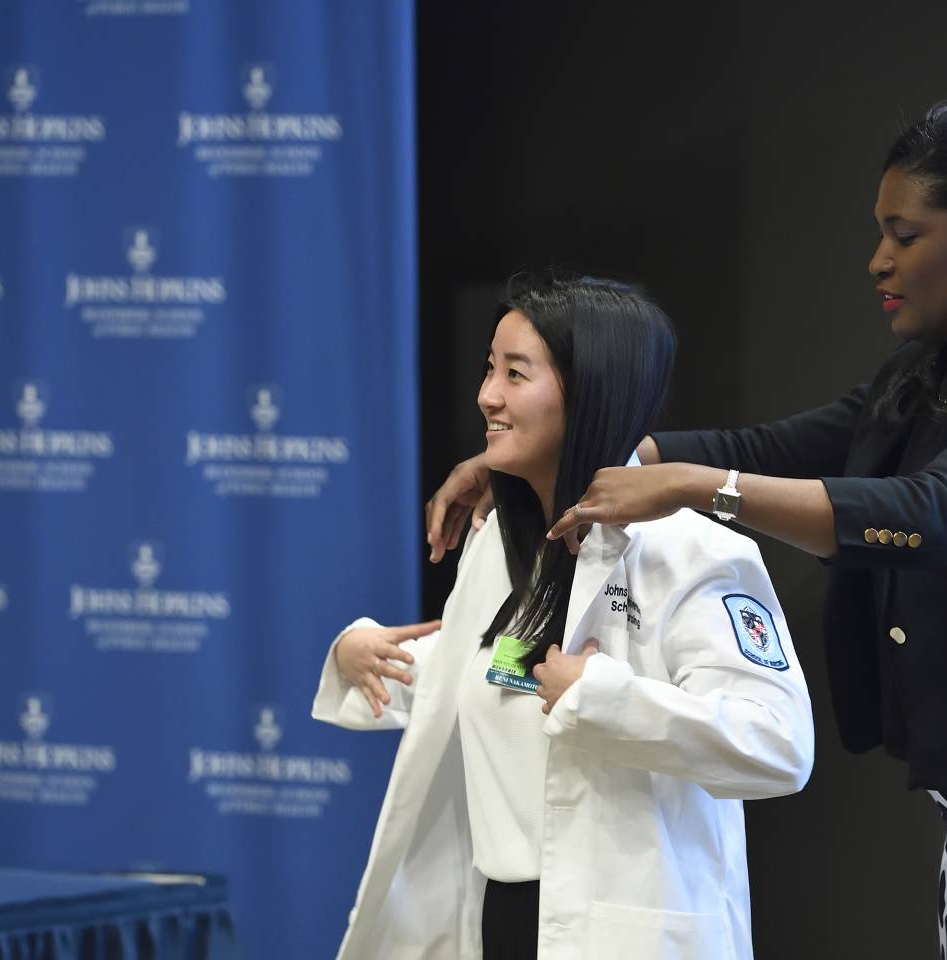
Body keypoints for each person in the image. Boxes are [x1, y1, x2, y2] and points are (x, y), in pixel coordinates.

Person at [427, 99, 947, 958]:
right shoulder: (925, 377)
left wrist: (701, 490)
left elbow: (938, 515)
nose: (880, 260)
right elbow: (765, 447)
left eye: (906, 236)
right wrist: (547, 453)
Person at [314, 275, 813, 960]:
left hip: (628, 931)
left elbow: (779, 746)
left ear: (591, 391)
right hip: (503, 921)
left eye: (516, 374)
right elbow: (507, 671)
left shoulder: (693, 553)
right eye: (490, 368)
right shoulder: (499, 542)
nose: (487, 395)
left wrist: (605, 699)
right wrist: (366, 654)